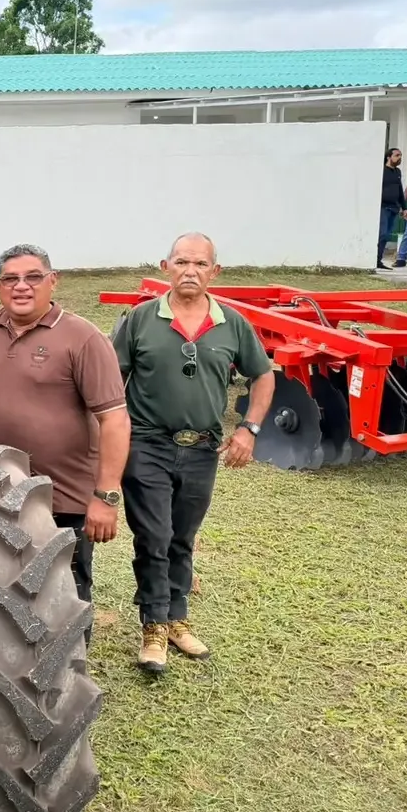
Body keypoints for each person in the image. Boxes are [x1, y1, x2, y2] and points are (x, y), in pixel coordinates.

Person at [0, 243, 130, 629]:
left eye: (33, 277)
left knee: (67, 588)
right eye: (10, 279)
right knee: (9, 581)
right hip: (3, 487)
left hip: (64, 495)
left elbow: (115, 420)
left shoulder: (82, 338)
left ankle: (69, 675)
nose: (22, 286)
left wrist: (105, 497)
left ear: (53, 282)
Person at [112, 232, 275, 675]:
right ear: (165, 267)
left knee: (183, 537)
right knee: (155, 536)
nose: (190, 271)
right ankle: (153, 627)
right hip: (146, 445)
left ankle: (177, 619)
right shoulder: (141, 319)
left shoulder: (232, 323)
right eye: (181, 262)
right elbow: (109, 383)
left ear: (214, 272)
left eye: (200, 264)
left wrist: (248, 428)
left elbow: (263, 376)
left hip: (202, 448)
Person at [378, 147, 407, 270]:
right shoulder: (381, 170)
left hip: (394, 208)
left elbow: (400, 191)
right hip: (383, 207)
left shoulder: (397, 172)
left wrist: (404, 208)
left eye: (400, 155)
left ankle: (378, 259)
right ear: (388, 157)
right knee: (382, 233)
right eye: (397, 155)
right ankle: (375, 259)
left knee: (387, 235)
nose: (399, 158)